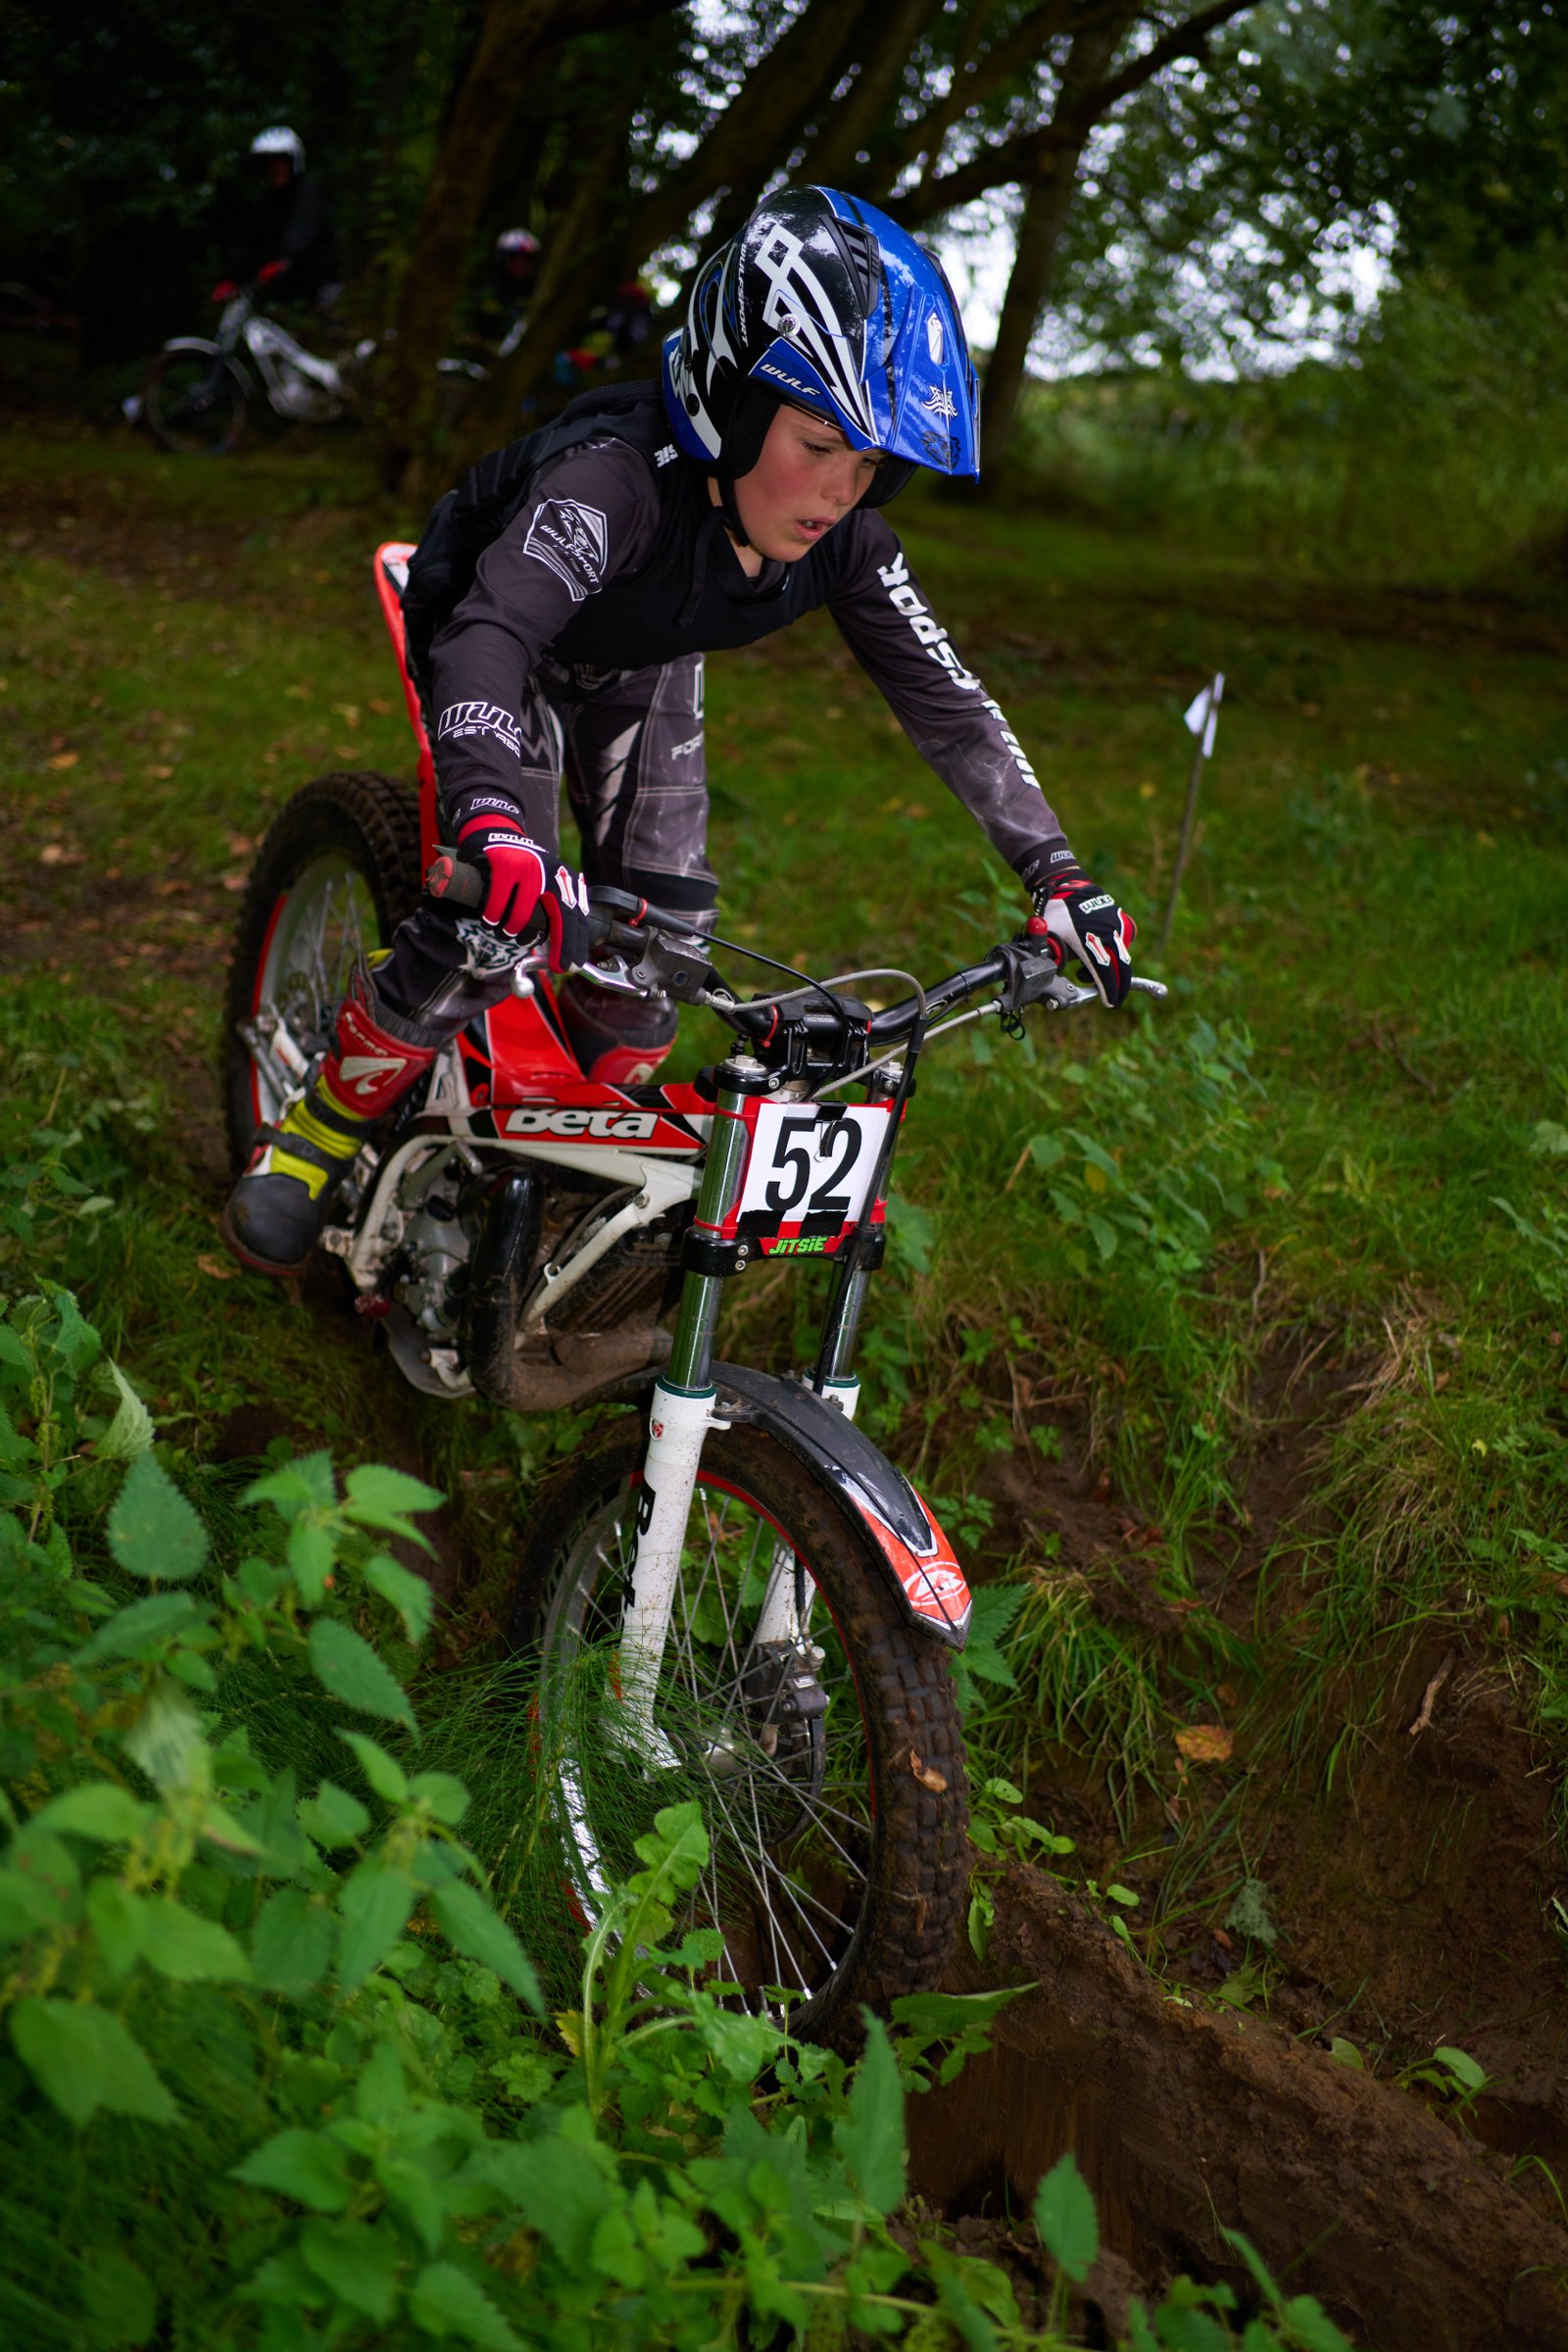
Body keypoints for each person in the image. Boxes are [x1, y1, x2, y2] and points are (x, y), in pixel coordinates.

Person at [221, 186, 1137, 1278]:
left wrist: (1056, 872)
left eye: (871, 466)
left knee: (657, 951)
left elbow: (950, 704)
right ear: (731, 405)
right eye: (818, 445)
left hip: (641, 656)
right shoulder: (614, 479)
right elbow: (493, 635)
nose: (839, 493)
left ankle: (552, 1167)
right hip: (491, 630)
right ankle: (316, 1135)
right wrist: (494, 822)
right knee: (489, 920)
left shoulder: (847, 539)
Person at [212, 127, 340, 316]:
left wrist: (284, 261)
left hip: (316, 283)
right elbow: (251, 240)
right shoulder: (267, 198)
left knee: (318, 323)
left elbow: (302, 232)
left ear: (292, 162)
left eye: (280, 161)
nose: (274, 167)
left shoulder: (306, 192)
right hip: (279, 289)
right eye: (269, 162)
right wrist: (233, 278)